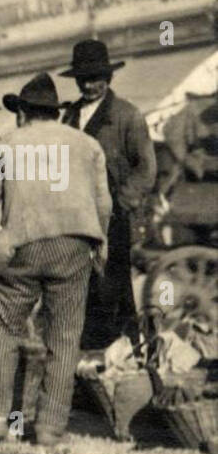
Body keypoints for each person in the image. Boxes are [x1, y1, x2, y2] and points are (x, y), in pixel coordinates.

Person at [0, 73, 113, 446]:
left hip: (22, 246)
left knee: (5, 329)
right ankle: (49, 426)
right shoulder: (87, 145)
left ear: (22, 114)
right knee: (65, 337)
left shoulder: (6, 144)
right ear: (56, 112)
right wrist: (101, 243)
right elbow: (104, 204)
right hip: (73, 246)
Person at [58, 39, 157, 350]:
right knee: (81, 283)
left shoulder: (127, 115)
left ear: (108, 77)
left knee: (112, 285)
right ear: (76, 81)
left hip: (113, 216)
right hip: (76, 214)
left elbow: (146, 168)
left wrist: (121, 204)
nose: (90, 85)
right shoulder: (69, 116)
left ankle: (120, 350)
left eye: (96, 78)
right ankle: (91, 353)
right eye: (84, 79)